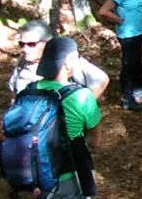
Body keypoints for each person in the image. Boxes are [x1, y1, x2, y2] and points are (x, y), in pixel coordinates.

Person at [35, 37, 103, 198]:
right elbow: (96, 140)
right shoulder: (82, 96)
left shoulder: (28, 90)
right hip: (69, 173)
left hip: (36, 172)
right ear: (68, 61)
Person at [9, 20, 110, 100]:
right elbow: (15, 93)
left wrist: (83, 110)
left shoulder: (66, 60)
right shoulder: (22, 62)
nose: (25, 49)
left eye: (31, 44)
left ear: (46, 42)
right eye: (22, 44)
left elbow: (101, 80)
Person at [97, 0, 142, 111]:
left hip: (138, 32)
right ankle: (127, 97)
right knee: (128, 64)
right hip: (128, 34)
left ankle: (136, 89)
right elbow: (104, 11)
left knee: (137, 61)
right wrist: (119, 20)